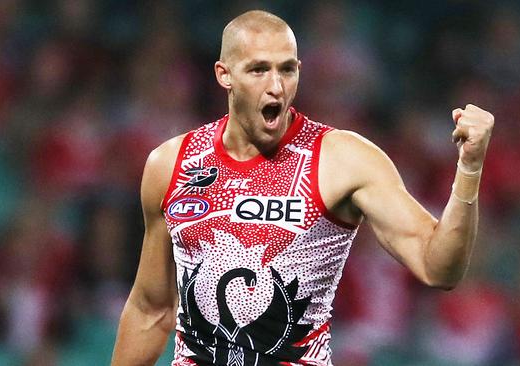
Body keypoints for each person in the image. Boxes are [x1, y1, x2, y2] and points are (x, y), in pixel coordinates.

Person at [111, 9, 494, 366]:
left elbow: (438, 267)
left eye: (287, 70)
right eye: (258, 70)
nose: (276, 87)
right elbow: (151, 310)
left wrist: (470, 167)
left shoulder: (342, 159)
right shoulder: (171, 164)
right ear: (224, 74)